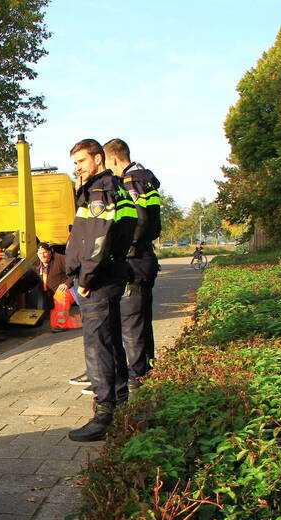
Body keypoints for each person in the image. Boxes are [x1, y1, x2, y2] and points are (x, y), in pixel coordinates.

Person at [65, 139, 137, 441]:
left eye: (81, 161)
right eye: (75, 162)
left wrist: (85, 279)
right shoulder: (117, 186)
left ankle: (103, 413)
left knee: (98, 347)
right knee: (110, 342)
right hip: (110, 274)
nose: (77, 167)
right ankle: (120, 404)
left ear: (97, 158)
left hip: (97, 280)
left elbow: (97, 239)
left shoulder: (99, 190)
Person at [103, 138, 162, 394]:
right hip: (145, 257)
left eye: (107, 163)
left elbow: (138, 222)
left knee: (131, 321)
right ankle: (146, 367)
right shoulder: (146, 179)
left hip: (135, 259)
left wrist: (123, 245)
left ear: (114, 159)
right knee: (141, 318)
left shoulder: (130, 181)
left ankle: (138, 375)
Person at [19, 241, 73, 331]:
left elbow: (74, 270)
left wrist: (67, 284)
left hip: (66, 291)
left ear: (50, 252)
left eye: (45, 252)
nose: (42, 255)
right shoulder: (37, 265)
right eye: (40, 253)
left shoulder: (60, 259)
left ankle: (62, 326)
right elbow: (30, 280)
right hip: (51, 295)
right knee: (54, 323)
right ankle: (81, 320)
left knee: (60, 296)